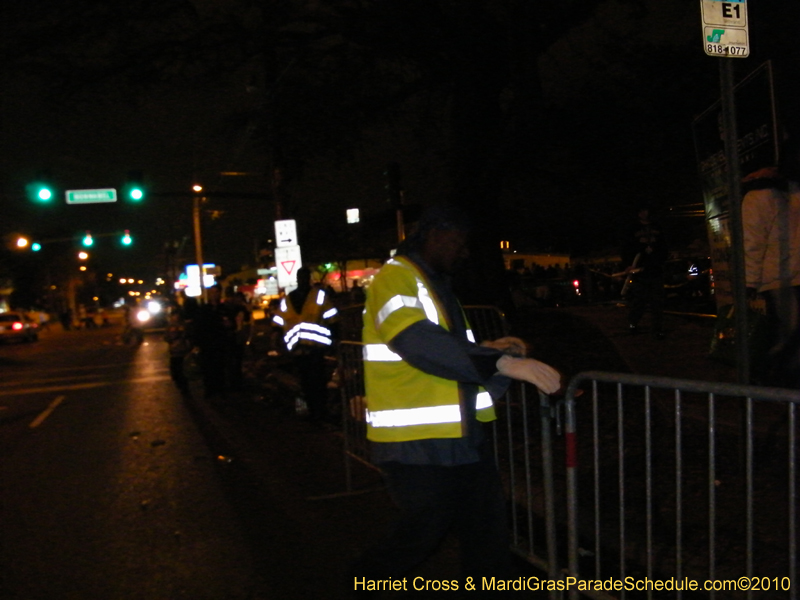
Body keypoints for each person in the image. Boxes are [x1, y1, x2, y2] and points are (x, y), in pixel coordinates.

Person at [351, 203, 561, 590]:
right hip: (415, 445)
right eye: (459, 242)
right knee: (424, 531)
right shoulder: (394, 279)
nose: (465, 252)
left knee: (486, 532)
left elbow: (450, 352)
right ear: (434, 235)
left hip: (461, 440)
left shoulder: (434, 286)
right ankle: (364, 583)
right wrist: (498, 364)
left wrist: (490, 349)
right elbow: (416, 341)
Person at [742, 137, 800, 388]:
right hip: (781, 275)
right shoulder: (767, 195)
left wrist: (752, 280)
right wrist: (751, 279)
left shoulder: (785, 191)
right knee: (791, 331)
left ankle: (775, 375)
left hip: (785, 273)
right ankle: (773, 374)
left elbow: (754, 240)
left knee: (790, 330)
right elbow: (753, 241)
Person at [273, 267, 339, 421]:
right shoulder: (289, 299)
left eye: (304, 277)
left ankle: (319, 413)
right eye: (300, 277)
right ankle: (314, 413)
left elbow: (333, 319)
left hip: (315, 349)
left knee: (317, 383)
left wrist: (335, 339)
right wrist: (275, 334)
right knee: (307, 384)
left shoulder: (319, 296)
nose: (302, 280)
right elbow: (279, 320)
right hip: (298, 350)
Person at [621, 204, 669, 339]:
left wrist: (661, 261)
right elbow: (626, 248)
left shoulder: (657, 227)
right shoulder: (632, 229)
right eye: (641, 211)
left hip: (655, 269)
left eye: (646, 210)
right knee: (639, 300)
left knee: (657, 301)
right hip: (639, 270)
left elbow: (663, 246)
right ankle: (633, 324)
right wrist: (628, 264)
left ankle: (658, 328)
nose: (644, 213)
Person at [192, 284, 230, 401]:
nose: (214, 295)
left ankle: (220, 390)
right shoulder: (204, 309)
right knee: (208, 367)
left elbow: (231, 324)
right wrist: (197, 343)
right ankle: (210, 389)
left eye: (216, 292)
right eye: (212, 292)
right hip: (207, 343)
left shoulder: (224, 308)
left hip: (221, 342)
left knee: (220, 366)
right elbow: (198, 326)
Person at [164, 310, 192, 394]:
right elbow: (166, 337)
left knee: (182, 371)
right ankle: (179, 383)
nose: (175, 317)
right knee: (175, 371)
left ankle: (184, 387)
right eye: (174, 315)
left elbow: (188, 335)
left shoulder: (184, 325)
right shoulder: (170, 326)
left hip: (183, 351)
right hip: (174, 352)